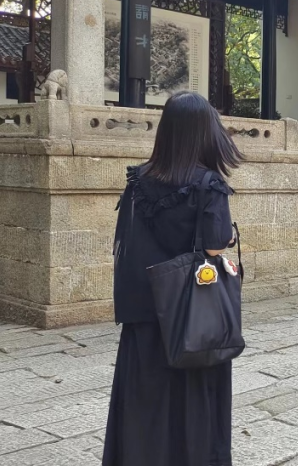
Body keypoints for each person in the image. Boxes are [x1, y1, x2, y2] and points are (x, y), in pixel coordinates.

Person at [104, 91, 241, 466]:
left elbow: (126, 241)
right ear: (204, 132)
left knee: (144, 404)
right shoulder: (208, 183)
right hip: (191, 316)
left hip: (144, 312)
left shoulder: (138, 181)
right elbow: (214, 244)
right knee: (192, 404)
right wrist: (227, 240)